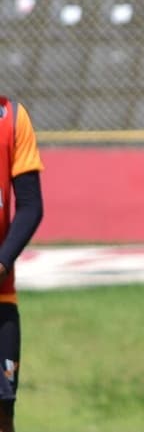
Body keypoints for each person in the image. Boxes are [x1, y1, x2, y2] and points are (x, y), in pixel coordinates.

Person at [0, 97, 44, 432]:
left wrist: (1, 264)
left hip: (1, 298)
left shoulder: (12, 118)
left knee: (3, 416)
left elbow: (30, 206)